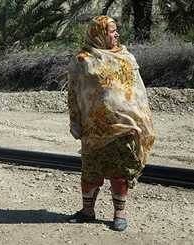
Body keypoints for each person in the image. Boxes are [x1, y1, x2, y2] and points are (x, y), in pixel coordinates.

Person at [67, 16, 155, 231]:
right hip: (94, 128)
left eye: (116, 30)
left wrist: (143, 118)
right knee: (90, 172)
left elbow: (138, 91)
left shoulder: (126, 57)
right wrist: (75, 121)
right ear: (98, 33)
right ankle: (87, 211)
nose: (116, 34)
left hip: (125, 126)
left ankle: (119, 214)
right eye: (111, 31)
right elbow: (73, 94)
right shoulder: (83, 60)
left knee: (120, 172)